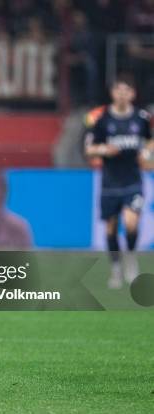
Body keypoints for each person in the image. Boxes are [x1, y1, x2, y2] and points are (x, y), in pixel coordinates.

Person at [85, 78, 153, 288]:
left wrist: (147, 152)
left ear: (133, 94)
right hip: (109, 183)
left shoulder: (141, 118)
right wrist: (104, 149)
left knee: (131, 223)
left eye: (127, 90)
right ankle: (116, 268)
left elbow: (150, 140)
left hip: (133, 181)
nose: (122, 94)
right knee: (111, 230)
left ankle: (131, 259)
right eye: (119, 90)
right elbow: (89, 149)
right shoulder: (102, 119)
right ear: (113, 93)